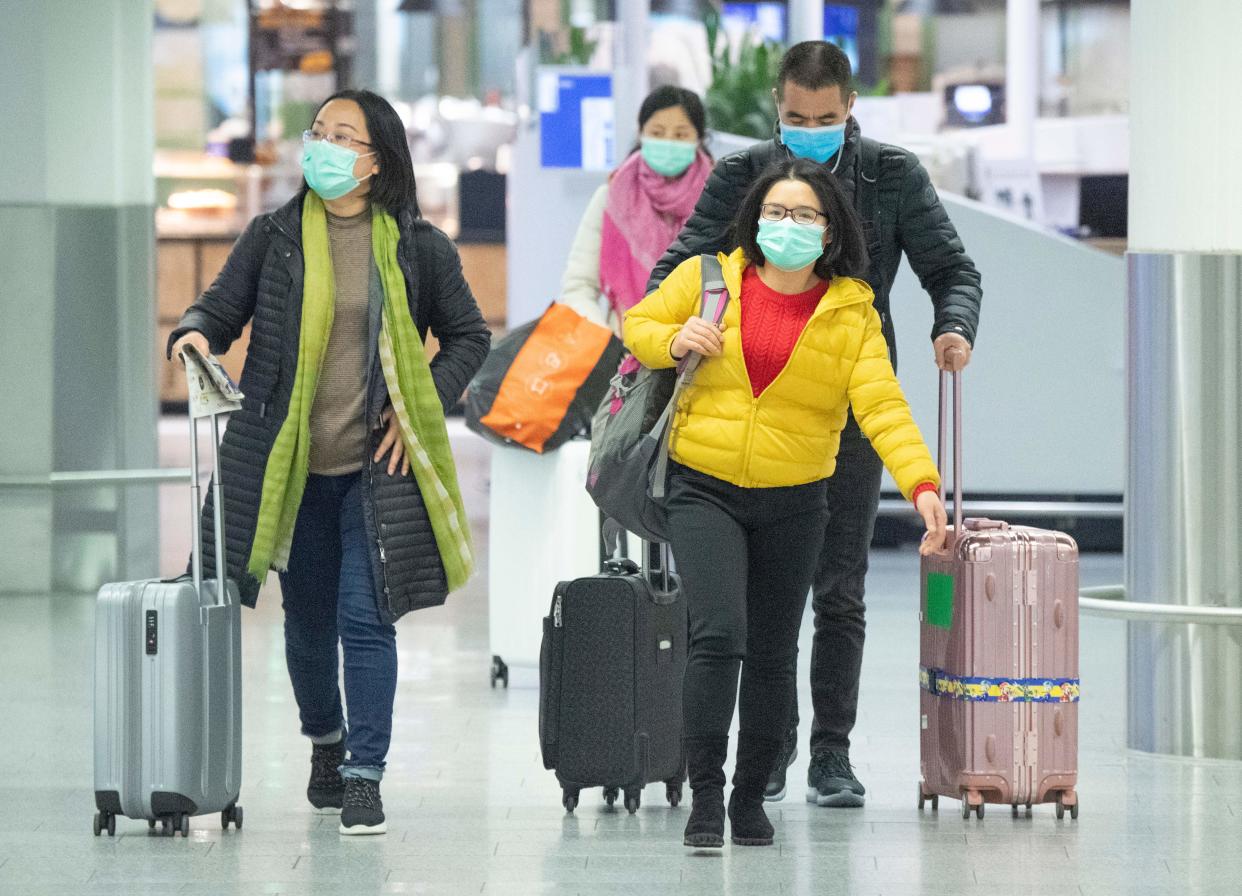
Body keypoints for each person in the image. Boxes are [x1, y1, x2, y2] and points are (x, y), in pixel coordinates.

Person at [646, 41, 983, 808]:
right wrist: (673, 330)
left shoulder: (894, 177)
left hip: (850, 408)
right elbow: (679, 268)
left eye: (824, 119)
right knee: (763, 605)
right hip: (749, 412)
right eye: (795, 119)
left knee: (840, 588)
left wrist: (952, 325)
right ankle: (769, 748)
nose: (808, 132)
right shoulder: (741, 177)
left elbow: (952, 269)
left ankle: (831, 751)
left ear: (851, 106)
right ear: (777, 105)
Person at [168, 90, 490, 835]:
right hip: (290, 464)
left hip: (376, 469)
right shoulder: (275, 235)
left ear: (377, 162)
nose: (324, 146)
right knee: (308, 622)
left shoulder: (418, 246)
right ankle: (326, 740)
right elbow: (219, 309)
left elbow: (468, 336)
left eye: (343, 136)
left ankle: (365, 775)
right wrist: (192, 333)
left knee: (365, 617)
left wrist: (417, 408)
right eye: (318, 132)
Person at [624, 159, 948, 849]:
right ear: (755, 219)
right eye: (776, 213)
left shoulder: (851, 311)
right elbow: (638, 324)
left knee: (773, 653)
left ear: (830, 231)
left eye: (804, 216)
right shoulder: (709, 279)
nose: (787, 227)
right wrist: (674, 339)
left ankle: (749, 796)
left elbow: (882, 406)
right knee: (717, 634)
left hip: (797, 500)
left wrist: (923, 484)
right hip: (703, 484)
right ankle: (705, 797)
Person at [559, 85, 713, 335]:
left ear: (699, 138)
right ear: (641, 133)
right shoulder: (611, 198)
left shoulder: (719, 199)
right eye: (657, 132)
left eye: (681, 134)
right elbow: (578, 286)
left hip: (700, 354)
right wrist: (604, 341)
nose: (669, 142)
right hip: (624, 353)